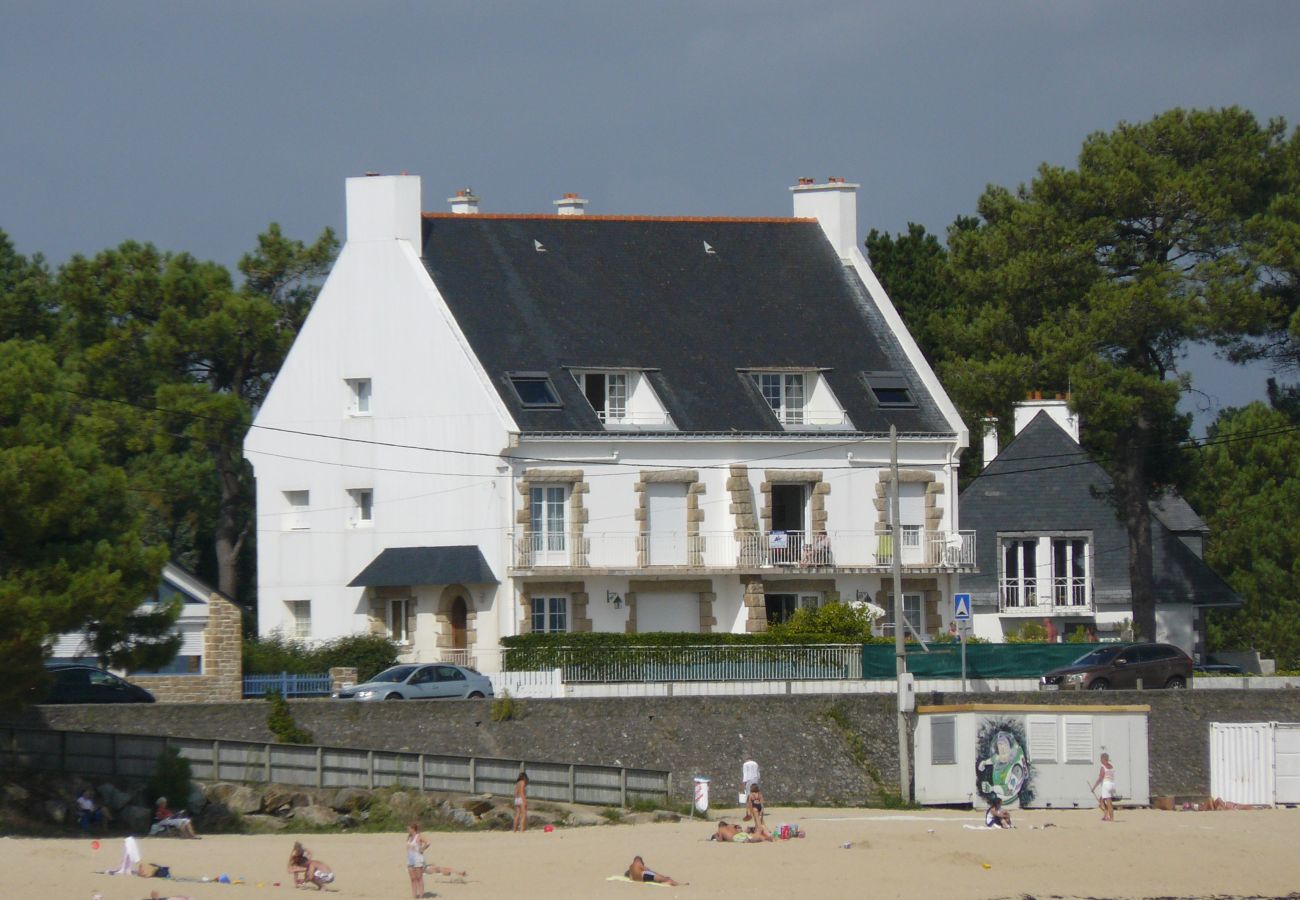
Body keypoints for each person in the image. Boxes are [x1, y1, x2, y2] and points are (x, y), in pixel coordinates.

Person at [1092, 752, 1117, 821]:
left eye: (1101, 759)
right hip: (1112, 784)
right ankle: (1106, 815)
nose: (1100, 760)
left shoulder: (1103, 767)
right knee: (1101, 800)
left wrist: (1094, 787)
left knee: (1109, 803)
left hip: (1106, 785)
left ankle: (1111, 818)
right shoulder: (1111, 766)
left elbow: (1100, 778)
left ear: (1103, 759)